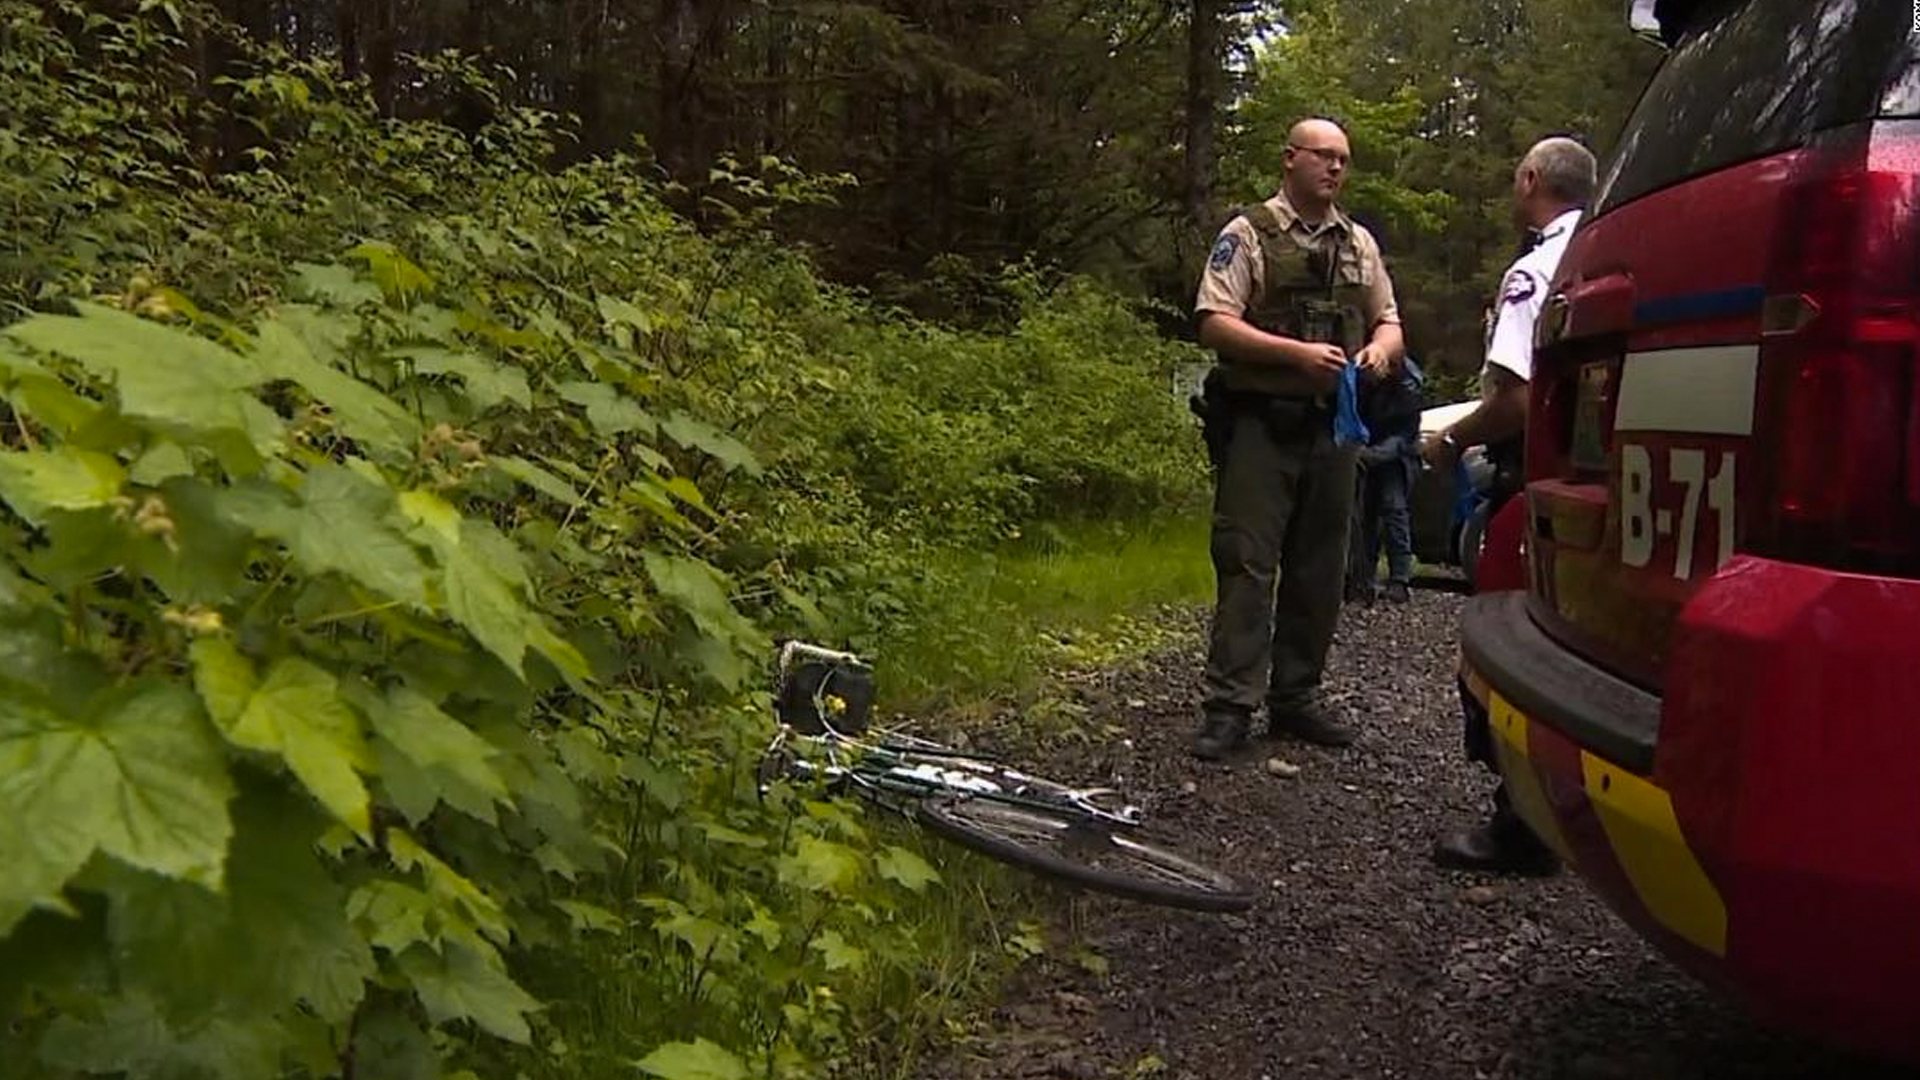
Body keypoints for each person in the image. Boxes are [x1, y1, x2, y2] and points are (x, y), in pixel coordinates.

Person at [1188, 117, 1406, 761]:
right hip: (1261, 423)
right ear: (1291, 160)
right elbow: (1214, 323)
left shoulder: (1359, 243)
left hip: (1333, 429)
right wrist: (1293, 355)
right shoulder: (1248, 235)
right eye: (1324, 156)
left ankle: (1297, 697)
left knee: (1320, 567)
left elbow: (1388, 319)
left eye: (1343, 159)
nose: (1335, 169)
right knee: (1248, 563)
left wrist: (1379, 354)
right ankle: (1230, 705)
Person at [1420, 135, 1597, 873]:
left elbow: (1518, 397)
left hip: (1536, 480)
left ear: (1530, 180)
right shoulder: (1608, 247)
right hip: (1608, 479)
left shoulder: (1533, 269)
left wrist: (1455, 438)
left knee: (1508, 641)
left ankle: (1519, 821)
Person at [1346, 355, 1426, 605]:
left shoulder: (1408, 383)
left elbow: (1405, 435)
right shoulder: (1360, 374)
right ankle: (1362, 578)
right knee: (1365, 515)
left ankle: (1399, 579)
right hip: (1369, 446)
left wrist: (1368, 455)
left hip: (1397, 455)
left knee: (1394, 511)